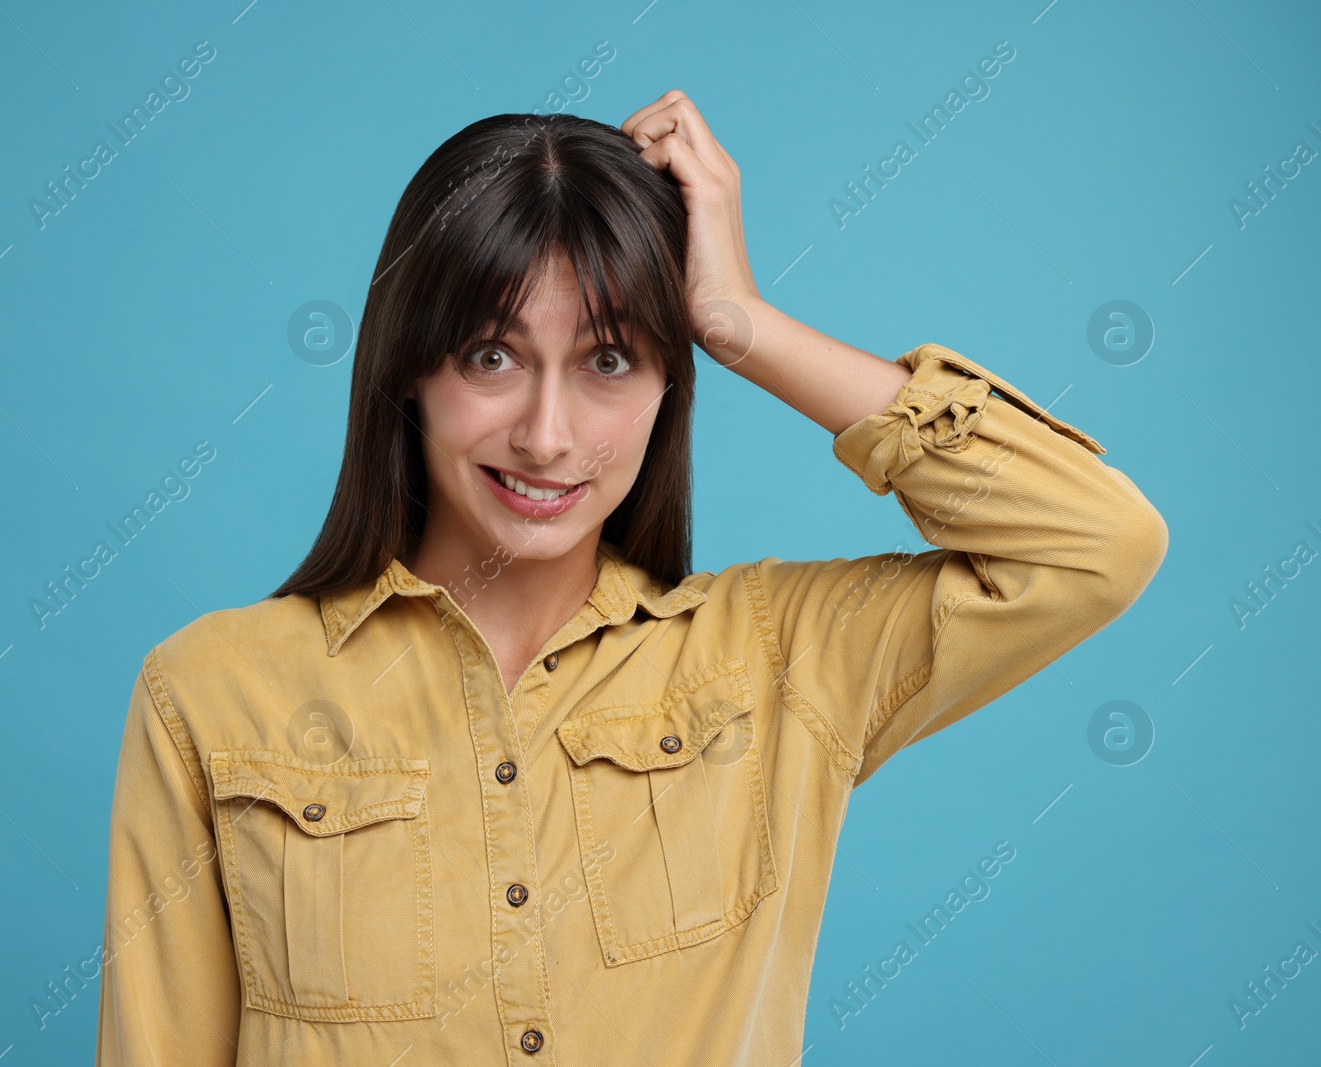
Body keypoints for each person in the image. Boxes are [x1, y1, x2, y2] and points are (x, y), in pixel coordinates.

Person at [94, 91, 1168, 1064]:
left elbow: (1093, 542)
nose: (547, 435)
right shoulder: (210, 692)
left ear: (669, 387)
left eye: (609, 360)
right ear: (407, 369)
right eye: (490, 355)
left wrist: (743, 326)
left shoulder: (779, 662)